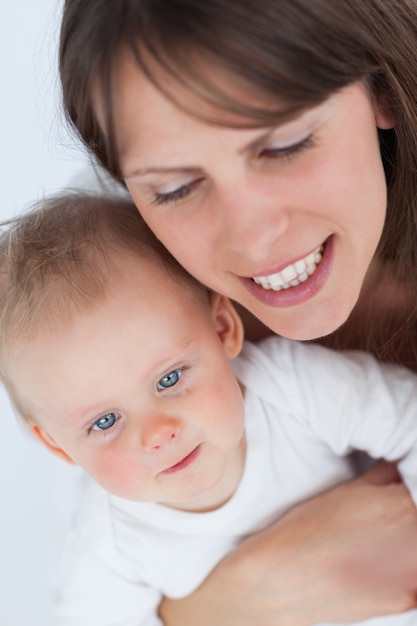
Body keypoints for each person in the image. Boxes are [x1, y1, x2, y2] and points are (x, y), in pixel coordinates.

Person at [56, 1, 417, 624]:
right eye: (173, 188)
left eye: (285, 145)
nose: (253, 241)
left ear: (380, 88)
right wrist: (228, 606)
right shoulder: (129, 325)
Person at [2, 191, 417, 626]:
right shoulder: (111, 540)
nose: (158, 432)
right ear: (59, 447)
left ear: (222, 329)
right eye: (105, 421)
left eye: (170, 378)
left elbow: (407, 416)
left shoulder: (290, 389)